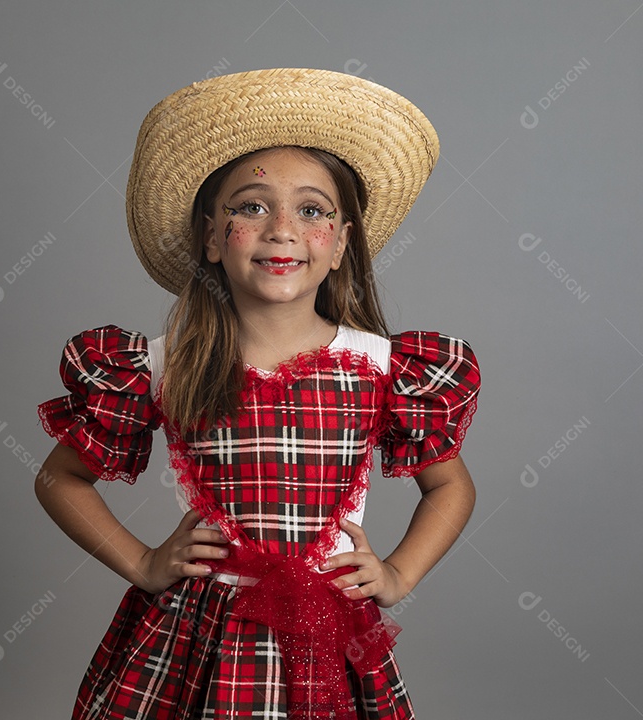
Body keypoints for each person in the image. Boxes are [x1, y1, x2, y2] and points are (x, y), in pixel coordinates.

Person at [34, 67, 479, 720]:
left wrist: (398, 573)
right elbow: (59, 479)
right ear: (212, 237)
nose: (281, 229)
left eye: (312, 210)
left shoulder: (383, 368)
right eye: (250, 206)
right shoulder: (163, 365)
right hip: (201, 631)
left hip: (326, 629)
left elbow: (451, 486)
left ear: (340, 245)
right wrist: (145, 563)